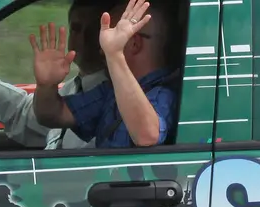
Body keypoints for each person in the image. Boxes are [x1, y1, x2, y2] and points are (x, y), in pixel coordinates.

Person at [0, 0, 115, 150]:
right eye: (76, 29)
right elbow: (20, 112)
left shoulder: (112, 99)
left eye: (93, 30)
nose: (83, 38)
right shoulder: (73, 88)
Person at [32, 0, 178, 149]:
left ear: (134, 43)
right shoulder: (111, 91)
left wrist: (114, 55)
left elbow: (147, 136)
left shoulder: (165, 94)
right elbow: (53, 115)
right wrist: (47, 86)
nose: (101, 50)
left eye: (109, 38)